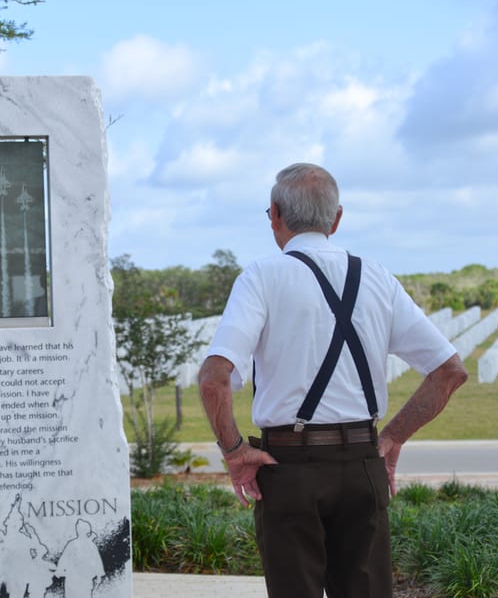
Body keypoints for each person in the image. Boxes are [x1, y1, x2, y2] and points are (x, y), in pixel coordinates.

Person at [198, 163, 468, 598]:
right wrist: (393, 436)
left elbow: (214, 379)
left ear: (275, 214)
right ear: (336, 219)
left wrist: (234, 452)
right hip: (363, 463)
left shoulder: (261, 277)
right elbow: (450, 371)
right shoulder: (377, 277)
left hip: (288, 469)